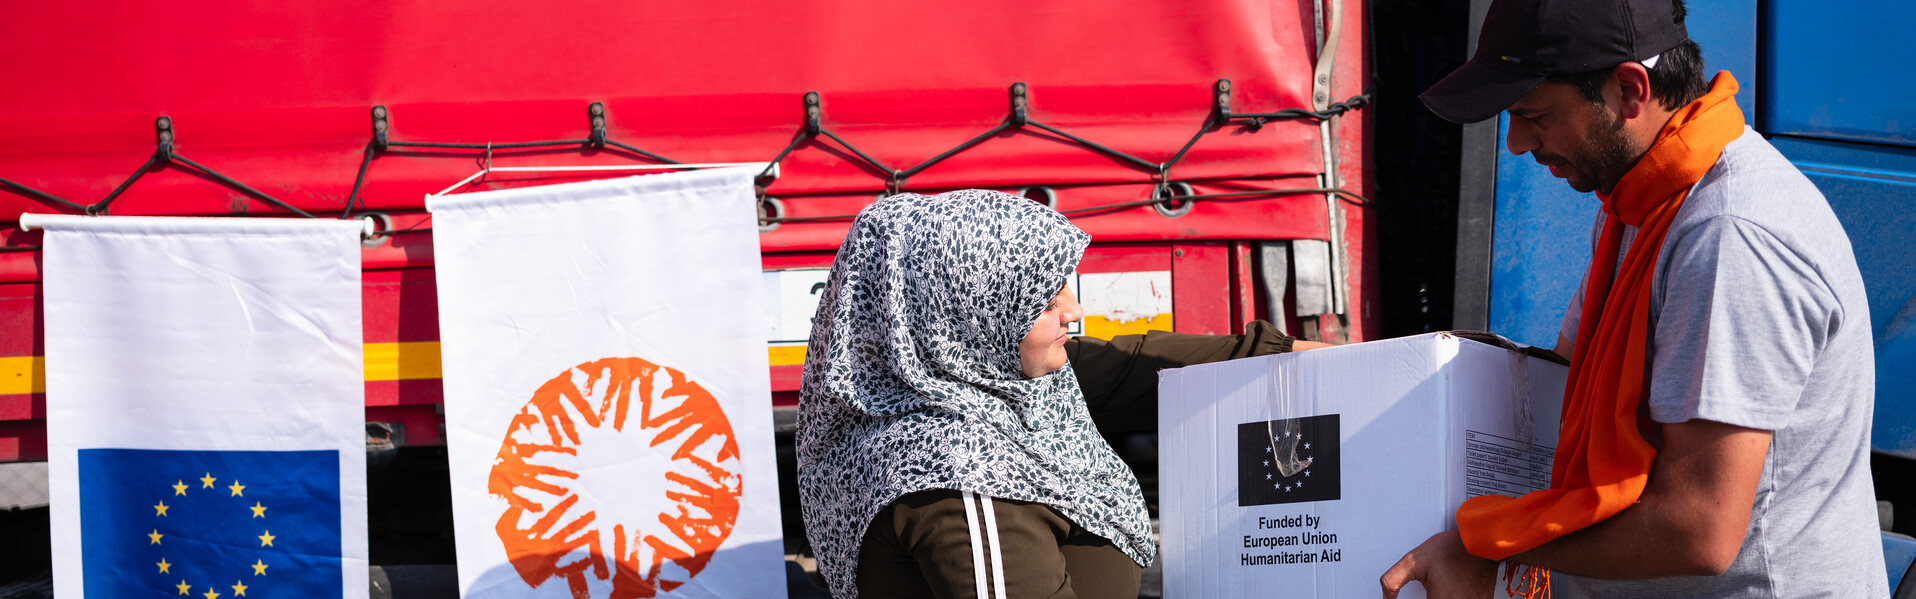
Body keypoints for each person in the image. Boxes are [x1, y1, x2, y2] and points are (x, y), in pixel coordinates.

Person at [1381, 0, 1887, 597]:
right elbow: (1557, 379)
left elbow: (1699, 528)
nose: (1515, 143)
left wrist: (1493, 549)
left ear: (1629, 89)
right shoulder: (1638, 205)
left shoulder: (1727, 236)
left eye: (1534, 115)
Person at [795, 189, 1318, 598]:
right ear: (964, 318)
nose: (1073, 310)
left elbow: (1136, 365)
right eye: (1043, 300)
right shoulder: (963, 481)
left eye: (1066, 286)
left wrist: (1303, 354)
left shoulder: (988, 382)